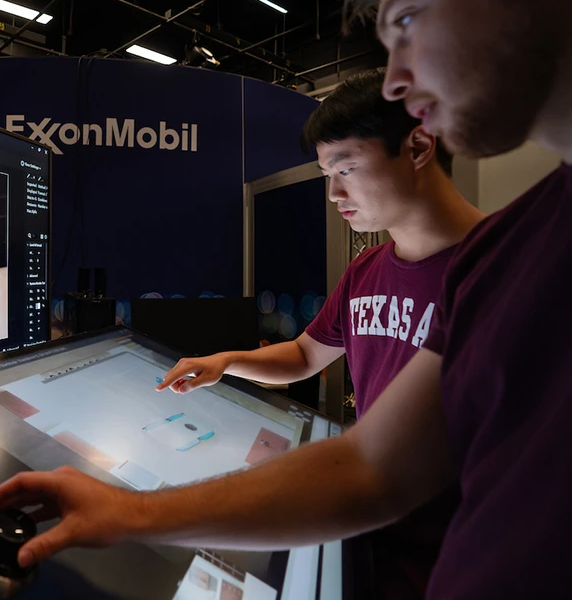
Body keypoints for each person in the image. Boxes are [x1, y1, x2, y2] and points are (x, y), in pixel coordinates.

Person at [0, 0, 572, 597]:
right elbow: (369, 464)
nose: (400, 78)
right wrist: (140, 495)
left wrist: (137, 513)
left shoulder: (487, 257)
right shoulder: (503, 256)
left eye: (409, 20)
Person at [156, 68, 482, 598]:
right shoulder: (367, 268)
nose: (333, 193)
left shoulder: (503, 267)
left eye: (346, 168)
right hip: (380, 537)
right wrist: (226, 361)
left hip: (460, 559)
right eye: (327, 173)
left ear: (419, 146)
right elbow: (306, 355)